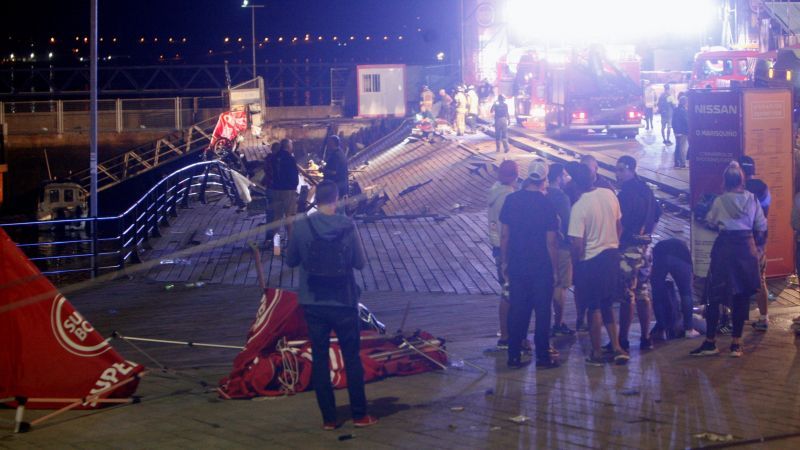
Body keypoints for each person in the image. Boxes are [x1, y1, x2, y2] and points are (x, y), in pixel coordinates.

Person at [285, 180, 377, 430]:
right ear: (336, 199)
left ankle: (329, 419)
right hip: (344, 302)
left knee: (321, 359)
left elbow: (290, 260)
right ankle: (360, 415)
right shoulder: (347, 225)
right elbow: (360, 263)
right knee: (352, 358)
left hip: (313, 302)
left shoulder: (302, 225)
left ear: (316, 198)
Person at [691, 161, 766, 358]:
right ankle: (736, 343)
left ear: (725, 181)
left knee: (714, 296)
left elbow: (711, 221)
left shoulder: (720, 201)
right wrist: (758, 248)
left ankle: (710, 341)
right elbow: (761, 226)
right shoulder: (752, 199)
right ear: (742, 179)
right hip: (746, 249)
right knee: (742, 296)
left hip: (725, 249)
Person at [499, 160, 560, 369]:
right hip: (541, 265)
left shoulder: (511, 200)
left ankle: (514, 354)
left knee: (518, 310)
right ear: (545, 179)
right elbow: (551, 242)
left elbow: (504, 235)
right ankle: (543, 356)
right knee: (543, 312)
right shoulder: (547, 204)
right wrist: (554, 270)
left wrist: (504, 262)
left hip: (517, 263)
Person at [568, 164, 629, 366]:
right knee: (608, 304)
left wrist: (576, 264)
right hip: (612, 257)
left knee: (593, 308)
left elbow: (577, 244)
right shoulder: (609, 194)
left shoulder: (579, 207)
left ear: (576, 184)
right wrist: (612, 242)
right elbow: (620, 226)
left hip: (591, 261)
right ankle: (617, 347)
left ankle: (596, 352)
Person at [615, 155, 660, 351]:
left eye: (621, 170)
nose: (617, 174)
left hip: (629, 248)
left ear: (631, 169)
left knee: (627, 295)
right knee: (643, 292)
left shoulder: (625, 194)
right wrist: (647, 234)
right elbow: (658, 214)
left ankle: (622, 339)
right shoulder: (646, 190)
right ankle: (645, 337)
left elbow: (621, 224)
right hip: (645, 247)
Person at [488, 160, 518, 349]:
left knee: (506, 291)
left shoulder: (494, 190)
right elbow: (508, 230)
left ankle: (506, 334)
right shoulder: (509, 196)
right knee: (510, 292)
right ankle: (508, 336)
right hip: (507, 249)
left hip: (497, 246)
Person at [740, 156, 771, 331]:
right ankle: (764, 317)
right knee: (760, 280)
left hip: (742, 241)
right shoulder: (763, 187)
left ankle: (737, 317)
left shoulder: (739, 191)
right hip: (759, 241)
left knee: (737, 280)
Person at [545, 163, 575, 337]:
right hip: (561, 247)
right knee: (560, 285)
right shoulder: (561, 197)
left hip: (543, 246)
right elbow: (568, 223)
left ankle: (545, 321)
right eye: (564, 175)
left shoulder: (543, 194)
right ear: (558, 178)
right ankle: (558, 322)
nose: (567, 178)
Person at [651, 238, 699, 339]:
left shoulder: (659, 246)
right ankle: (689, 329)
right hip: (681, 258)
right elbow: (689, 275)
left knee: (657, 293)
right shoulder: (686, 253)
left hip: (661, 254)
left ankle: (661, 328)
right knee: (686, 293)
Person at [271, 138, 300, 240]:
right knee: (289, 218)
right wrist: (295, 187)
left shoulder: (274, 157)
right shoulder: (290, 159)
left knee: (277, 218)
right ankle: (290, 244)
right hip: (288, 191)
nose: (292, 147)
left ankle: (276, 246)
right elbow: (294, 176)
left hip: (276, 190)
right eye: (291, 145)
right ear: (288, 146)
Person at [322, 135, 349, 204]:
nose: (327, 144)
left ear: (333, 143)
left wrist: (323, 170)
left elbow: (334, 172)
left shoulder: (336, 155)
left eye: (329, 142)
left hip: (336, 187)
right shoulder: (340, 153)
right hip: (340, 187)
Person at [262, 142, 280, 241]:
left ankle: (269, 237)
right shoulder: (277, 161)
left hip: (269, 189)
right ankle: (274, 240)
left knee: (270, 214)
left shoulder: (268, 159)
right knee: (276, 215)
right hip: (275, 190)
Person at [672, 96, 689, 168]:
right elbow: (686, 121)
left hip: (677, 131)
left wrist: (676, 131)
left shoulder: (676, 109)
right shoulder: (683, 110)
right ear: (684, 102)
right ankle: (682, 163)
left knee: (678, 146)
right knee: (682, 147)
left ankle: (676, 162)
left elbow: (673, 121)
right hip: (682, 131)